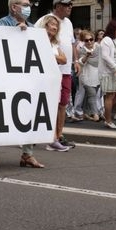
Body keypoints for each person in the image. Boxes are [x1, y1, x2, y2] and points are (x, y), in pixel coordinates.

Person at [0, 0, 45, 168]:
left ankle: (27, 154)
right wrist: (14, 32)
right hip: (6, 79)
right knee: (2, 114)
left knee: (28, 114)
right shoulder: (3, 24)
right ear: (14, 7)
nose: (28, 7)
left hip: (27, 79)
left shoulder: (33, 29)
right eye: (25, 5)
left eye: (29, 5)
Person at [36, 0, 77, 149]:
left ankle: (59, 135)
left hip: (66, 69)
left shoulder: (68, 23)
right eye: (67, 5)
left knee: (63, 104)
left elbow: (72, 43)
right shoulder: (44, 20)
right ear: (58, 6)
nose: (70, 7)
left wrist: (76, 61)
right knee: (50, 103)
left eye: (70, 4)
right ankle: (49, 136)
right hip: (50, 71)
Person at [37, 14, 70, 155]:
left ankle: (53, 139)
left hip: (52, 80)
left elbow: (64, 59)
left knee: (52, 108)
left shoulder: (55, 44)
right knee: (38, 108)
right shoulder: (38, 40)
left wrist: (51, 56)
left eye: (57, 25)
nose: (55, 27)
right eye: (52, 24)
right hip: (40, 79)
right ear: (45, 25)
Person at [98, 19, 116, 130]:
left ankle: (106, 114)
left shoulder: (114, 40)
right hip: (108, 72)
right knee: (110, 96)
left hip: (114, 72)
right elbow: (106, 57)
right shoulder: (106, 40)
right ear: (114, 29)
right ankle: (108, 120)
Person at [75, 29, 102, 122]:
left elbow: (100, 60)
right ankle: (95, 114)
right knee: (92, 94)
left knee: (88, 96)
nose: (89, 42)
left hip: (97, 76)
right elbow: (81, 62)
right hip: (86, 76)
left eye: (91, 39)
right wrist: (87, 56)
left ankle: (86, 112)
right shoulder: (82, 50)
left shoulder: (98, 48)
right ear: (83, 41)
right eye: (86, 40)